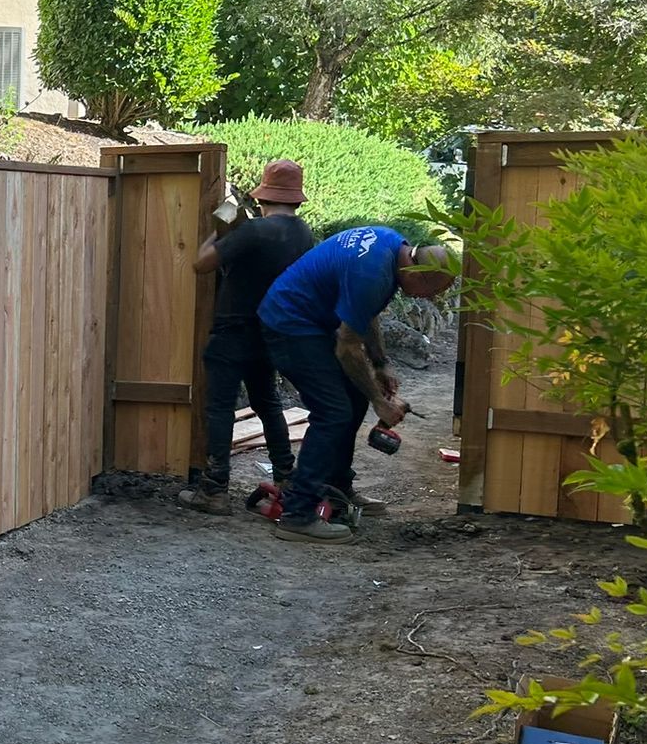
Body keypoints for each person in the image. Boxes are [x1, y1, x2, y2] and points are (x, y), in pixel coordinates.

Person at [257, 227, 456, 542]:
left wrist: (380, 364)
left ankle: (336, 487)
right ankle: (299, 513)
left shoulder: (392, 247)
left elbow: (365, 314)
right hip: (288, 323)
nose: (428, 299)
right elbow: (346, 347)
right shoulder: (372, 273)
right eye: (431, 292)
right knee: (333, 411)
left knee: (353, 397)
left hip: (310, 321)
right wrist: (381, 401)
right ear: (419, 275)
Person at [176, 159, 316, 515]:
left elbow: (201, 263)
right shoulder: (303, 234)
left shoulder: (254, 231)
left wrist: (219, 226)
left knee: (220, 407)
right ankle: (286, 477)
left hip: (231, 331)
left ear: (262, 196)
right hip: (269, 333)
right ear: (297, 199)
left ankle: (214, 490)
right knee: (268, 405)